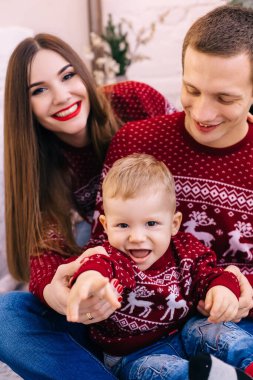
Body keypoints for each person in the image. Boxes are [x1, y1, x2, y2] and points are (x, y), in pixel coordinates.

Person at [76, 3, 253, 376]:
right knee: (9, 314)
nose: (203, 113)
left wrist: (241, 290)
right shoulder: (135, 141)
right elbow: (102, 242)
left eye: (225, 98)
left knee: (234, 341)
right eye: (192, 89)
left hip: (228, 314)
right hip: (134, 320)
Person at [0, 33, 171, 379]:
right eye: (39, 90)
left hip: (173, 281)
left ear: (82, 73)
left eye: (67, 76)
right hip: (108, 293)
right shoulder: (43, 164)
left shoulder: (134, 102)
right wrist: (58, 294)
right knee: (7, 315)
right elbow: (45, 247)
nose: (62, 97)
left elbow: (192, 145)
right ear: (25, 105)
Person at [67, 153, 253, 380]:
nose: (136, 237)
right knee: (163, 372)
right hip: (134, 354)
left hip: (188, 329)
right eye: (123, 225)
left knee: (222, 334)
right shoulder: (113, 257)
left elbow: (209, 274)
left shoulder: (185, 250)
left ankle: (249, 363)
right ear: (106, 226)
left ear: (174, 224)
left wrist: (222, 289)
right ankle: (209, 377)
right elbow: (98, 267)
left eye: (151, 223)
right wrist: (89, 280)